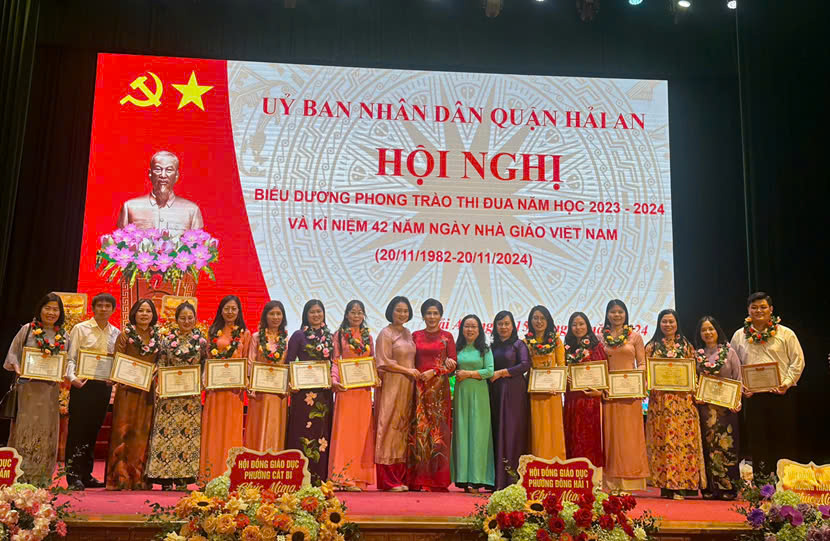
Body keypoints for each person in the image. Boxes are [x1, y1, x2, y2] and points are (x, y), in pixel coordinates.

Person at [730, 292, 804, 472]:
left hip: (781, 395)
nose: (759, 311)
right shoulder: (739, 335)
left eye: (763, 307)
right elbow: (734, 364)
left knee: (783, 438)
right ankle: (762, 481)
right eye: (754, 307)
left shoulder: (786, 334)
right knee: (757, 440)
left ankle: (785, 480)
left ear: (771, 309)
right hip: (753, 397)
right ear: (748, 310)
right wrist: (742, 387)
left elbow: (798, 361)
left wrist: (787, 383)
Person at [3, 293, 66, 486]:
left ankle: (41, 476)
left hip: (50, 391)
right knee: (25, 428)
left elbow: (69, 361)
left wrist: (68, 374)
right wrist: (18, 368)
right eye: (47, 308)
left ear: (60, 313)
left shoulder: (64, 335)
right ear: (40, 309)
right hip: (28, 389)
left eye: (55, 309)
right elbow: (13, 354)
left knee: (46, 429)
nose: (51, 312)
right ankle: (20, 474)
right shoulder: (27, 330)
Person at [644, 309, 705, 500]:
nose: (668, 325)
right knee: (662, 443)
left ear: (677, 323)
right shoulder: (651, 347)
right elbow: (645, 375)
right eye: (664, 321)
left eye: (671, 321)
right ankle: (665, 485)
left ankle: (682, 485)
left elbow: (693, 374)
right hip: (660, 404)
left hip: (683, 402)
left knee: (683, 443)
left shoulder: (686, 347)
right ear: (659, 324)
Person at [146, 301, 206, 490]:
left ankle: (183, 478)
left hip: (191, 397)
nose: (187, 321)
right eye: (183, 318)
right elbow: (162, 362)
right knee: (167, 436)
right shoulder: (167, 340)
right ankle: (165, 478)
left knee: (187, 437)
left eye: (190, 318)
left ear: (195, 319)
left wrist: (203, 381)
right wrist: (161, 382)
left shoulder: (201, 341)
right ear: (176, 319)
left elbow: (205, 365)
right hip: (169, 396)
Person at [64, 292, 120, 491]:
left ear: (113, 310)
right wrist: (73, 379)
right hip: (82, 385)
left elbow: (116, 361)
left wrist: (114, 377)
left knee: (93, 431)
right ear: (93, 308)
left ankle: (86, 475)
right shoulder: (80, 329)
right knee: (77, 430)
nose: (103, 309)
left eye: (107, 306)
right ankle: (73, 476)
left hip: (103, 387)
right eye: (100, 305)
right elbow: (70, 357)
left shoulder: (116, 333)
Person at [106, 299, 160, 490]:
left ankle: (139, 478)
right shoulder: (125, 335)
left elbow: (161, 361)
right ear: (134, 314)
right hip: (126, 390)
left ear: (153, 315)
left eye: (148, 311)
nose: (144, 314)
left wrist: (156, 370)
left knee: (142, 433)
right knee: (122, 431)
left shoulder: (157, 337)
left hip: (147, 391)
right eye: (141, 311)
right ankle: (119, 478)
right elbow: (117, 359)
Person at [200, 295, 251, 482]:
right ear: (221, 310)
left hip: (234, 391)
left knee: (231, 429)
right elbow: (208, 359)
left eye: (233, 309)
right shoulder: (213, 331)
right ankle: (209, 474)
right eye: (226, 308)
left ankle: (230, 474)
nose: (230, 312)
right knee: (213, 429)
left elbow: (246, 361)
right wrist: (205, 380)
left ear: (239, 311)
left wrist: (245, 381)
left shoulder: (245, 333)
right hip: (215, 390)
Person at [408, 298, 457, 492]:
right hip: (419, 388)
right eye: (428, 313)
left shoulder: (447, 337)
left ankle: (437, 480)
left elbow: (452, 363)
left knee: (439, 434)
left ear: (441, 316)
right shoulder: (415, 336)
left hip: (439, 391)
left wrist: (435, 372)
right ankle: (418, 479)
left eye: (435, 313)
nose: (432, 316)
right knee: (420, 432)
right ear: (423, 316)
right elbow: (409, 359)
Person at [601, 299, 649, 493]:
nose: (617, 315)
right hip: (609, 394)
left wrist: (637, 381)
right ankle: (609, 482)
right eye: (613, 312)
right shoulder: (600, 337)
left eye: (620, 311)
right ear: (607, 314)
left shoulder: (635, 336)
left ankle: (629, 482)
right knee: (610, 437)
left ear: (626, 314)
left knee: (629, 437)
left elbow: (642, 363)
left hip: (630, 394)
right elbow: (598, 364)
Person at [328, 300, 376, 491]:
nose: (356, 316)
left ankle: (359, 478)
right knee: (344, 432)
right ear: (346, 314)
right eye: (353, 312)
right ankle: (342, 477)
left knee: (361, 433)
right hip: (345, 390)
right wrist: (334, 380)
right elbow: (335, 361)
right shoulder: (339, 335)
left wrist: (375, 378)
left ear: (363, 315)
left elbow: (371, 361)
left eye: (360, 312)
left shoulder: (368, 337)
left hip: (363, 391)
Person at [285, 299, 334, 482]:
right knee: (302, 432)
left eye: (319, 312)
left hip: (323, 393)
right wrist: (292, 383)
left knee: (321, 434)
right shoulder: (298, 335)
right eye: (312, 312)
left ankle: (319, 475)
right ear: (306, 315)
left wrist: (332, 379)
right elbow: (289, 362)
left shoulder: (329, 336)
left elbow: (334, 362)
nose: (316, 315)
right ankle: (299, 475)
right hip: (303, 395)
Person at [694, 315, 742, 500]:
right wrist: (697, 394)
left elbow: (738, 378)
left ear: (717, 330)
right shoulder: (697, 355)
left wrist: (737, 400)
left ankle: (728, 488)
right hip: (706, 409)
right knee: (708, 446)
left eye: (710, 329)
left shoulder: (729, 352)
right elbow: (693, 379)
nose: (707, 333)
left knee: (727, 446)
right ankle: (710, 488)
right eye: (703, 330)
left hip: (726, 409)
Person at [374, 296, 418, 491]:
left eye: (405, 310)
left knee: (402, 428)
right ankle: (388, 480)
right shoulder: (386, 333)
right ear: (391, 311)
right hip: (391, 385)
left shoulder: (408, 333)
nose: (402, 314)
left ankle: (400, 477)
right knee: (389, 427)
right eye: (398, 310)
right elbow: (383, 362)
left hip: (407, 386)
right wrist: (408, 371)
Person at [451, 314, 495, 493]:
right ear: (462, 329)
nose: (470, 330)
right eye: (467, 326)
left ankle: (477, 479)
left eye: (473, 326)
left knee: (478, 434)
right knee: (462, 433)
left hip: (480, 394)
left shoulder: (485, 349)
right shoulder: (457, 348)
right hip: (461, 394)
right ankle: (463, 478)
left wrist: (468, 374)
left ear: (479, 330)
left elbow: (490, 371)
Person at [488, 310, 530, 490]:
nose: (503, 327)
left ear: (513, 326)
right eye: (500, 324)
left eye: (507, 323)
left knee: (513, 431)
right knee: (497, 430)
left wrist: (502, 373)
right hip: (495, 391)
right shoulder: (492, 347)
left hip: (514, 392)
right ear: (495, 326)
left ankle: (513, 478)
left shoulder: (519, 345)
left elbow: (525, 365)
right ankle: (497, 479)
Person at [117, 150, 204, 235]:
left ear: (176, 175)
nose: (163, 175)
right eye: (158, 169)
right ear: (150, 174)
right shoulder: (130, 207)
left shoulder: (191, 210)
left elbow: (197, 242)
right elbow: (121, 242)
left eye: (169, 170)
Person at [563, 311, 606, 469]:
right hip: (572, 397)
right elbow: (561, 369)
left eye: (581, 324)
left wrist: (599, 392)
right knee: (572, 433)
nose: (578, 327)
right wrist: (564, 377)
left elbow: (604, 371)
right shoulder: (567, 348)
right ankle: (573, 472)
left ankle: (592, 472)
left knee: (589, 435)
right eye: (574, 325)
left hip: (590, 397)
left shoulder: (596, 346)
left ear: (587, 325)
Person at [245, 301, 289, 453]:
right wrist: (250, 384)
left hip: (278, 392)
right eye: (272, 314)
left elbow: (288, 364)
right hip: (259, 392)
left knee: (275, 427)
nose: (275, 317)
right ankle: (254, 460)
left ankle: (274, 460)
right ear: (265, 316)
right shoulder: (256, 337)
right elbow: (251, 362)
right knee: (258, 427)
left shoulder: (286, 339)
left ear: (283, 317)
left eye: (278, 314)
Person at [524, 305, 566, 460]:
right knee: (537, 428)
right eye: (535, 318)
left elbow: (562, 365)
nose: (539, 321)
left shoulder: (556, 341)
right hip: (534, 392)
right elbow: (524, 366)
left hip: (553, 392)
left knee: (554, 427)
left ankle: (556, 463)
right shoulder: (525, 342)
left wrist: (558, 385)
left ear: (548, 320)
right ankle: (537, 464)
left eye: (542, 318)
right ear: (530, 321)